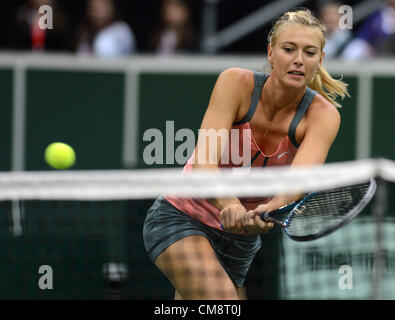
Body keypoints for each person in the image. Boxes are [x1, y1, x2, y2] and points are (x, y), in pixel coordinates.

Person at [143, 8, 349, 300]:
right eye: (289, 49)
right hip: (182, 217)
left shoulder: (323, 116)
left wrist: (268, 210)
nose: (299, 60)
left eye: (310, 52)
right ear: (270, 53)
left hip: (240, 242)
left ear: (320, 60)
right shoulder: (236, 83)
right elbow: (204, 163)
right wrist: (230, 204)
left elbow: (296, 185)